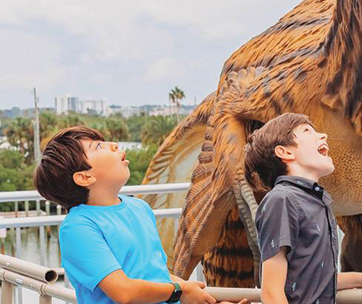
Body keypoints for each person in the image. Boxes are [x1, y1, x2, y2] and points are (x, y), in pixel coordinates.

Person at [33, 126, 244, 304]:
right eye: (98, 146)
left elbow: (156, 276)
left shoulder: (138, 208)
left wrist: (202, 296)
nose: (113, 145)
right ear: (84, 177)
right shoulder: (79, 228)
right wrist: (179, 290)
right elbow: (124, 292)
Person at [243, 113, 362, 304]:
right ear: (285, 152)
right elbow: (272, 292)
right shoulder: (282, 199)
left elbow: (318, 281)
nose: (323, 136)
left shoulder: (316, 201)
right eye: (307, 131)